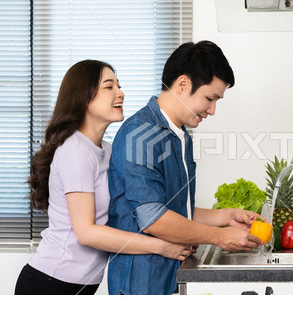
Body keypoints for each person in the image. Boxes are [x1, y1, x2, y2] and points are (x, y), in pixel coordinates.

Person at [14, 60, 193, 295]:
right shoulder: (75, 151)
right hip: (50, 283)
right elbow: (86, 232)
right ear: (84, 96)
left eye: (119, 85)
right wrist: (161, 246)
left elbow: (142, 206)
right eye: (109, 87)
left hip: (81, 285)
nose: (121, 93)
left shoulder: (108, 150)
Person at [107, 40, 264, 295]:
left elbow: (177, 207)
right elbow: (153, 219)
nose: (212, 110)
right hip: (142, 283)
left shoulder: (179, 134)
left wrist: (225, 217)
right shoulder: (140, 133)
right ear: (182, 84)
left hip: (171, 276)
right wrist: (218, 236)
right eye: (209, 98)